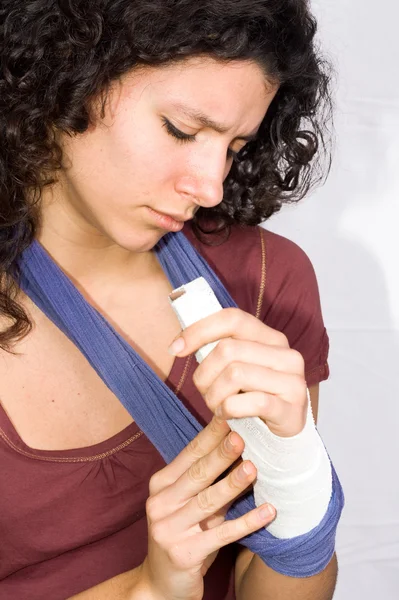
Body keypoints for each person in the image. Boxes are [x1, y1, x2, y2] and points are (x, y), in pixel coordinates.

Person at [0, 1, 339, 598]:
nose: (210, 186)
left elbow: (288, 571)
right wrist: (151, 589)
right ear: (66, 76)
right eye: (182, 129)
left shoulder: (265, 282)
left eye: (234, 147)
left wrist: (297, 479)